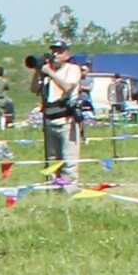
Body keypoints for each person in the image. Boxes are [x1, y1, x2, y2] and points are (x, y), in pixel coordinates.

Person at [39, 37, 88, 177]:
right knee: (52, 160)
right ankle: (53, 189)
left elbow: (67, 87)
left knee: (69, 160)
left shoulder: (73, 69)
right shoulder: (47, 72)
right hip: (49, 120)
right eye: (53, 51)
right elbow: (34, 89)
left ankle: (69, 191)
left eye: (59, 51)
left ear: (67, 54)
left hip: (67, 120)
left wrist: (50, 73)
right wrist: (39, 71)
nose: (55, 54)